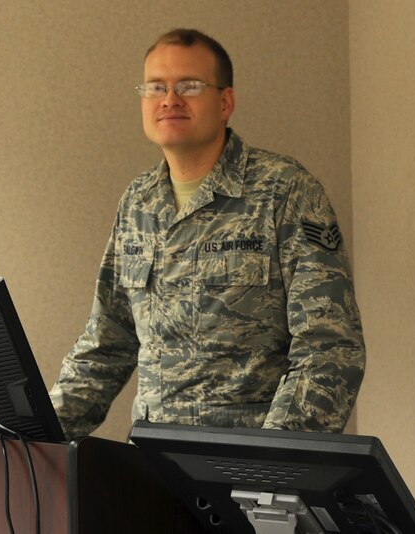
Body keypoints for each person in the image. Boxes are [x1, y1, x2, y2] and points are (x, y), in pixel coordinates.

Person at [49, 29, 366, 440]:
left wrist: (275, 458)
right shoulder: (139, 202)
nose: (169, 99)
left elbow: (330, 348)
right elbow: (108, 341)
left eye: (189, 85)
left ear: (225, 102)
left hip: (248, 463)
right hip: (152, 461)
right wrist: (33, 433)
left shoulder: (283, 190)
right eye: (156, 87)